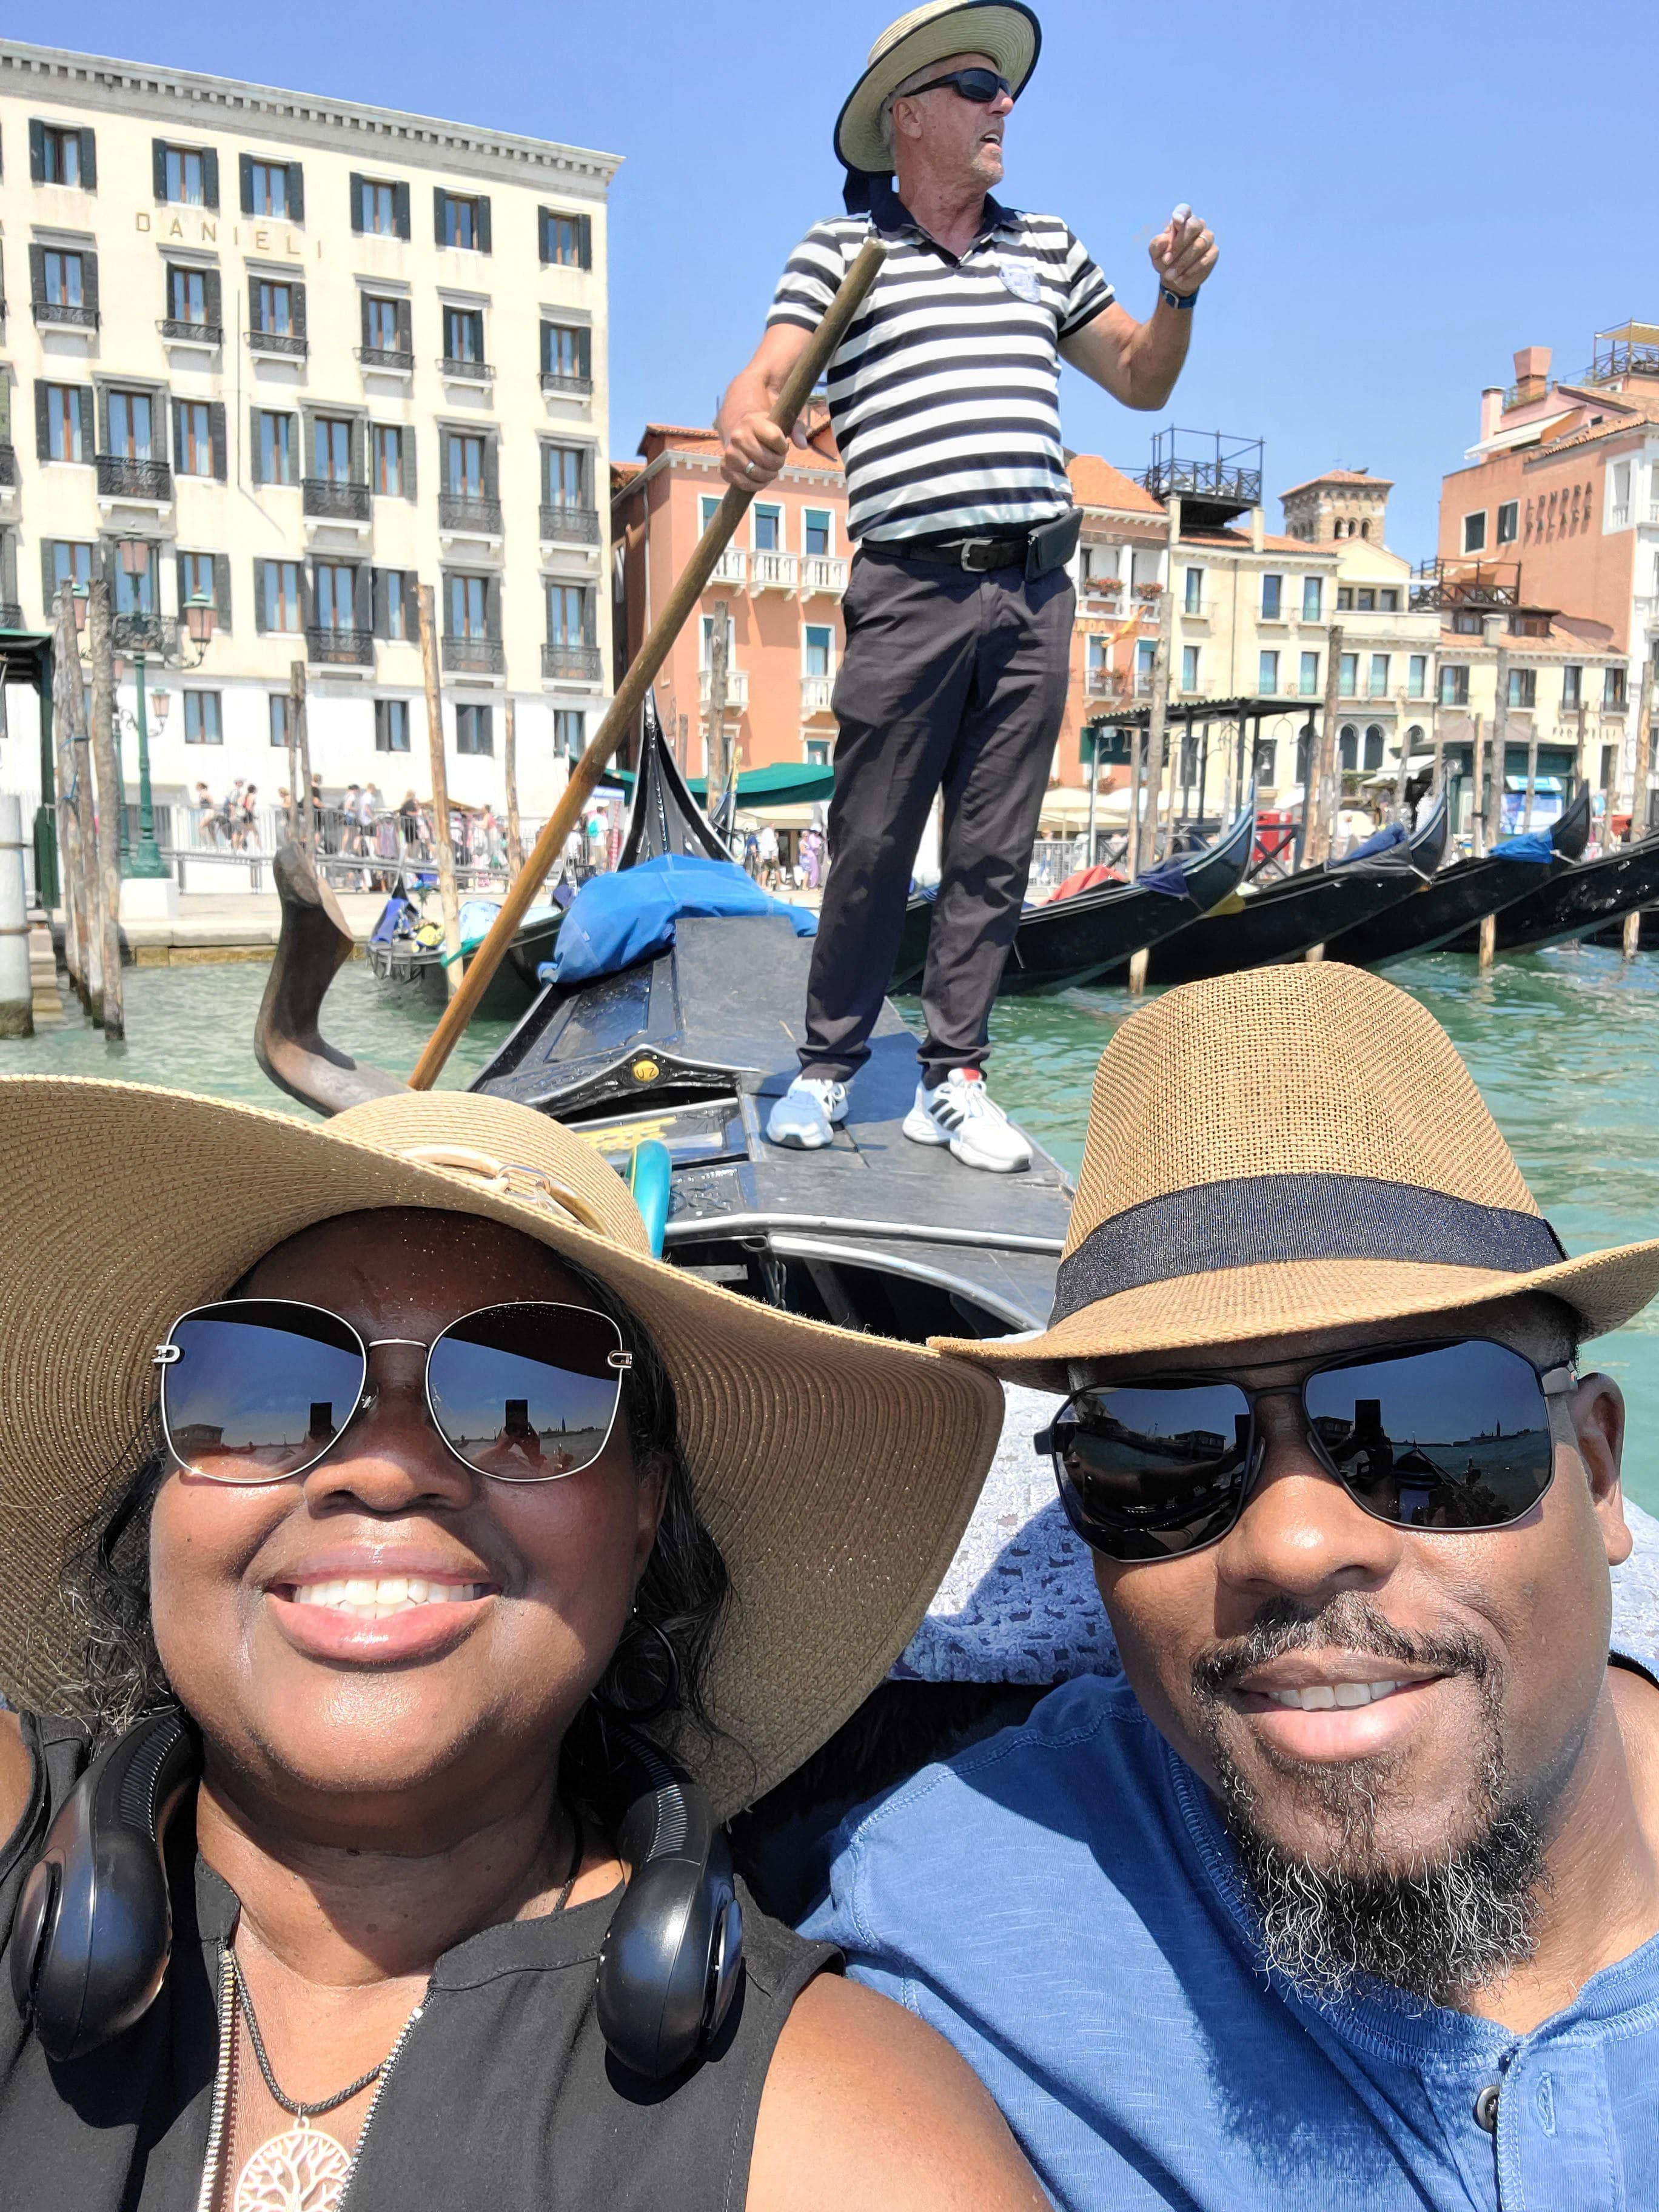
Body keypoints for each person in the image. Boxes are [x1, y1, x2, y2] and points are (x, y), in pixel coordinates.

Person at [0, 1078, 1044, 2212]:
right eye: (264, 1388)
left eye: (525, 1393)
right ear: (164, 1500)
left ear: (645, 1517)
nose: (385, 1469)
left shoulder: (835, 2127)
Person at [806, 961, 1659, 2210]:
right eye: (1165, 1455)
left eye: (1418, 1427)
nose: (1295, 1546)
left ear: (1593, 1476)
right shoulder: (948, 1931)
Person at [725, 1, 1215, 1171]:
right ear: (909, 116)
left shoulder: (1045, 244)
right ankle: (831, 1066)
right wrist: (746, 428)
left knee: (993, 853)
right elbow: (761, 384)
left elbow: (1141, 384)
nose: (1006, 107)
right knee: (873, 840)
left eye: (1006, 90)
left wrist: (1179, 299)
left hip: (1037, 592)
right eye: (976, 88)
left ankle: (955, 1077)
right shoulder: (842, 255)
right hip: (908, 588)